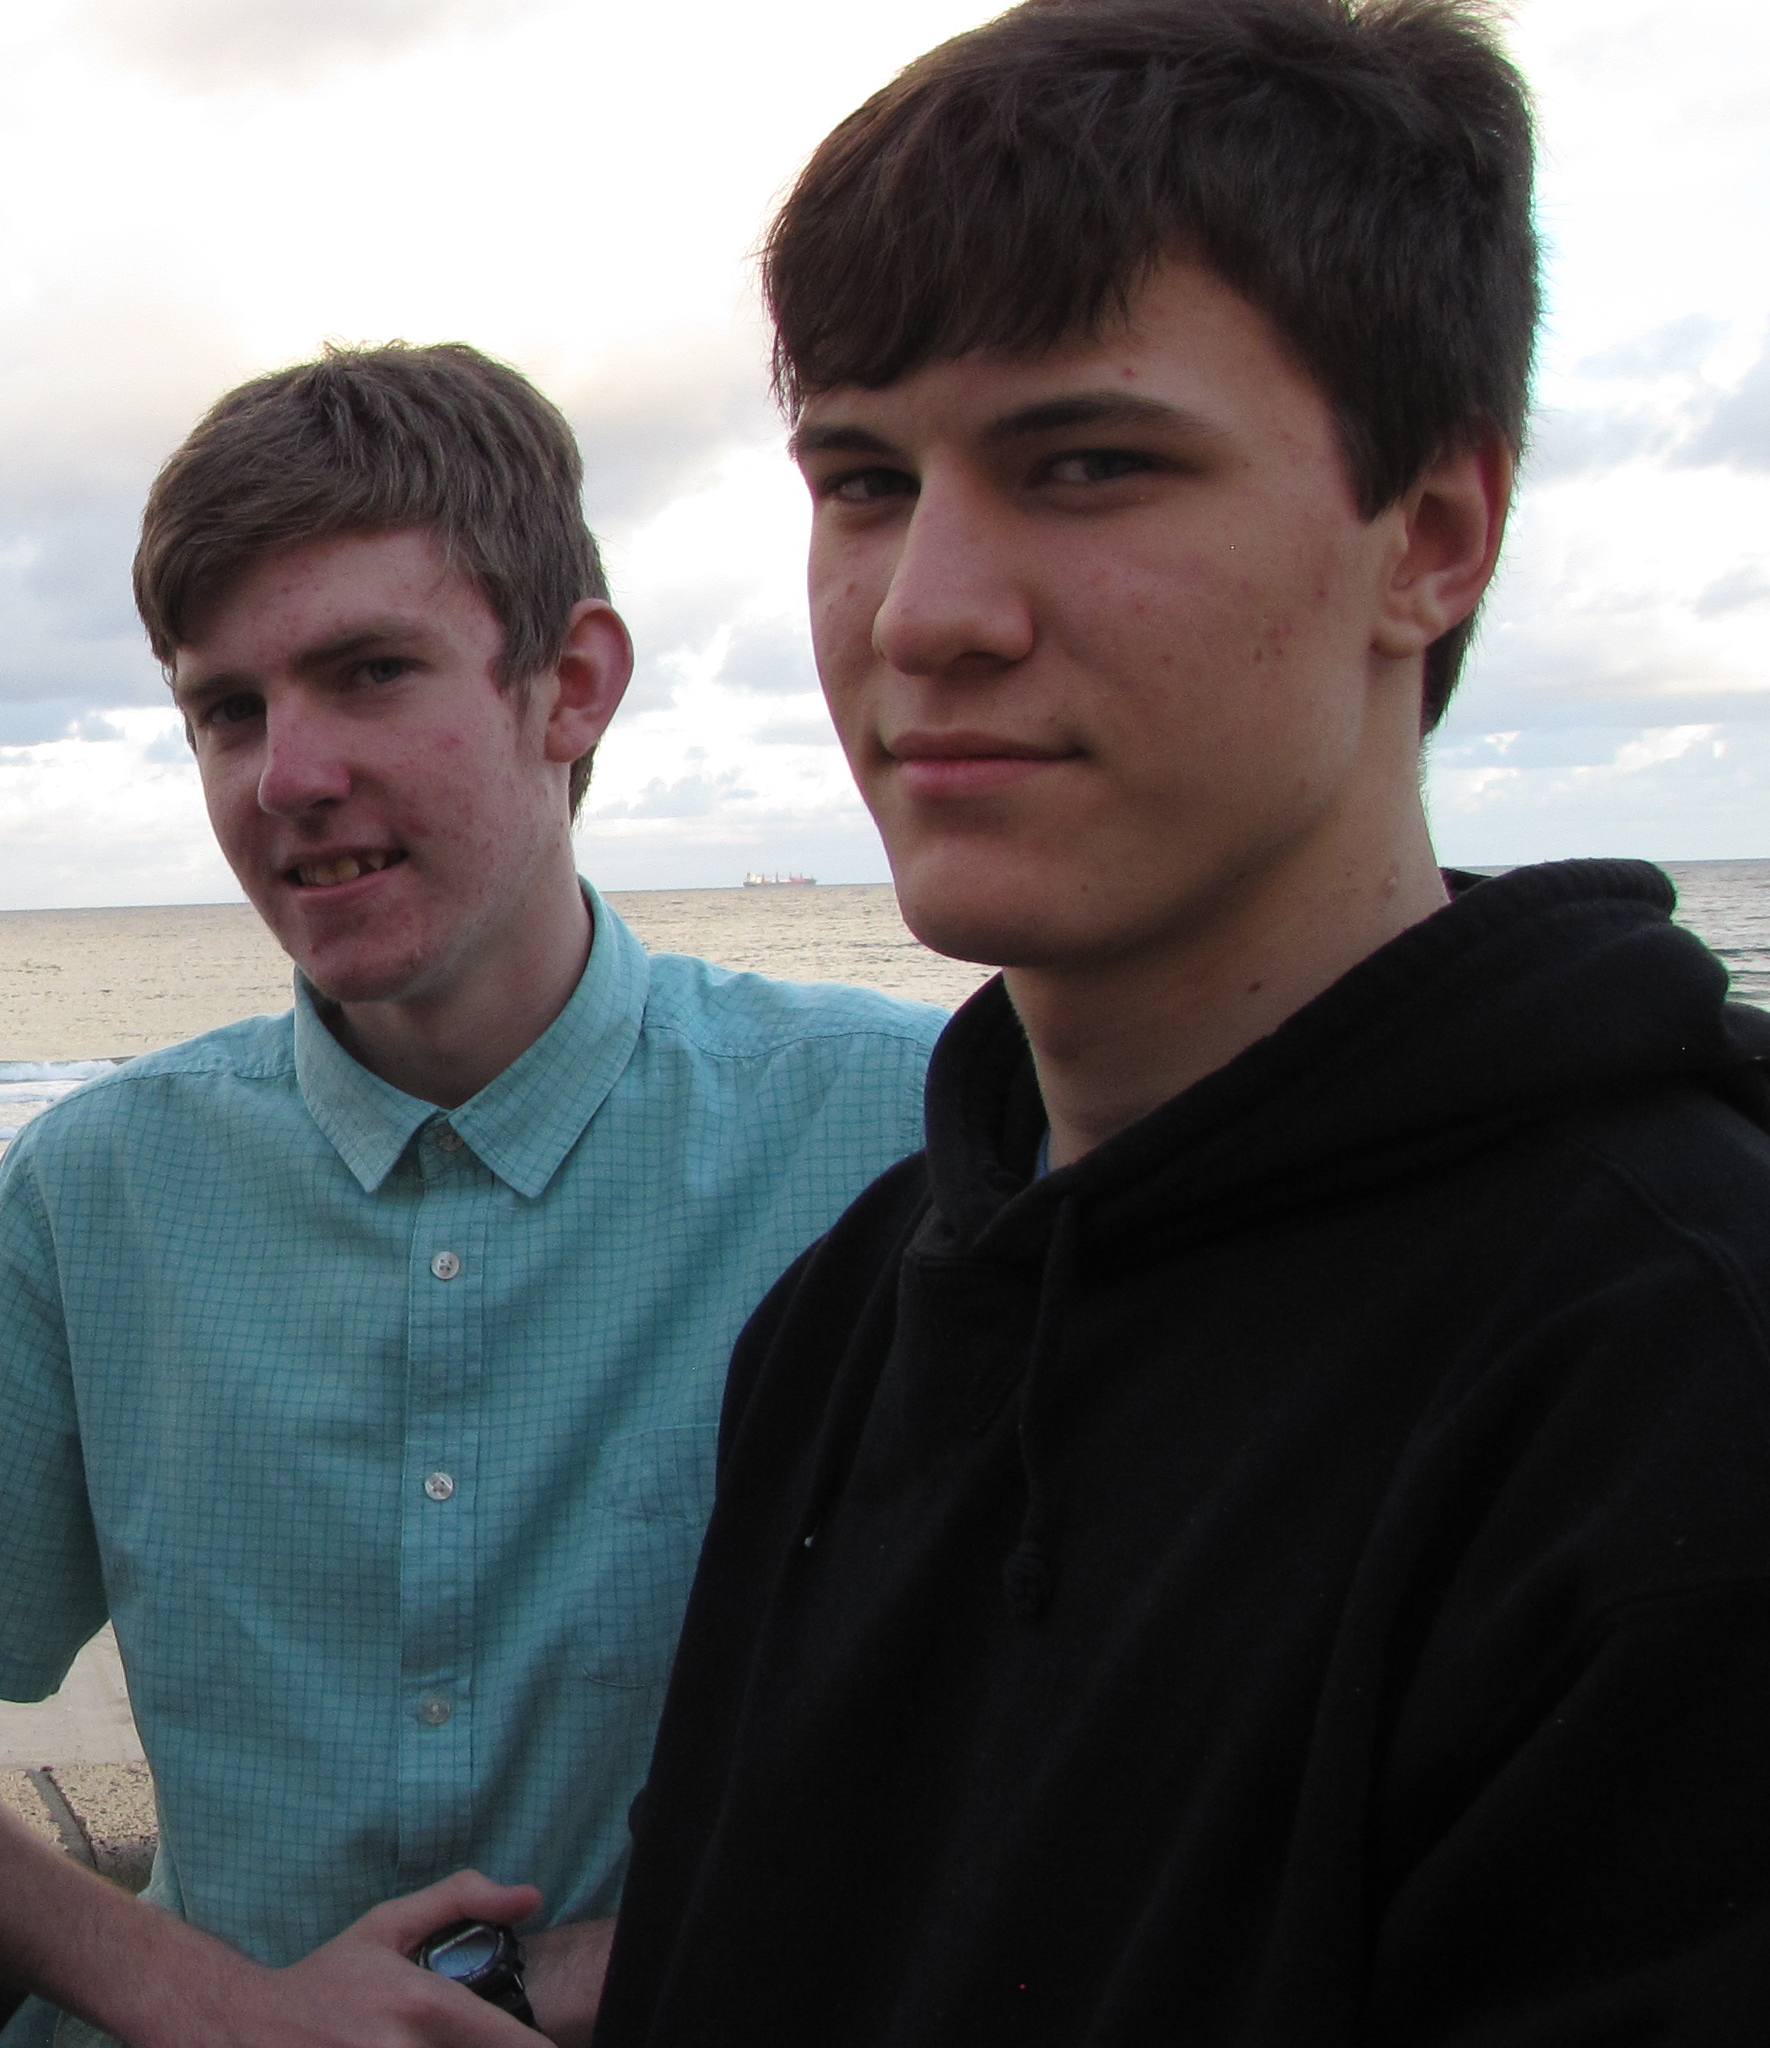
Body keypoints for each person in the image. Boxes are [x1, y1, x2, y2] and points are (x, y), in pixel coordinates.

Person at [597, 3, 1770, 2042]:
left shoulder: (1673, 1387)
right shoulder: (850, 1315)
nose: (925, 611)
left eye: (1088, 465)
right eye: (864, 480)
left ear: (1432, 535)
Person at [0, 343, 943, 2048]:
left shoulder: (898, 1136)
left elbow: (1065, 1737)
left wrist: (568, 1975)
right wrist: (212, 2002)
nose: (287, 775)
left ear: (571, 687)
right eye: (228, 711)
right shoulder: (100, 1196)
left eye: (370, 672)